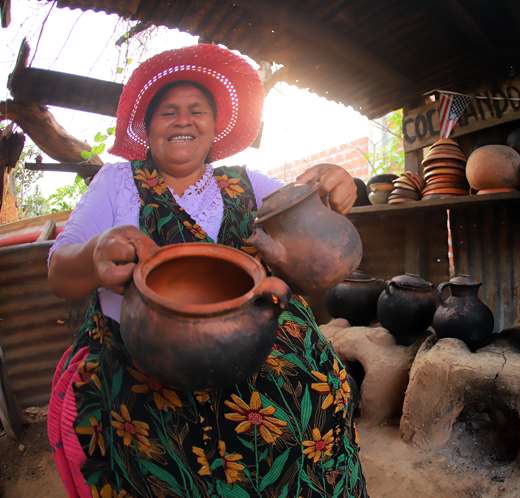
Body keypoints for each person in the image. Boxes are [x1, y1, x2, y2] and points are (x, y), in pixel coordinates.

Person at [46, 44, 367, 498]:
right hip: (146, 354)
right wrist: (96, 253)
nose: (183, 120)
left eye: (197, 110)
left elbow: (303, 210)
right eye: (168, 112)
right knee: (158, 457)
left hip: (258, 342)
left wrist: (331, 186)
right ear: (147, 128)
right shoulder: (117, 183)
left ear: (215, 128)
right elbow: (59, 271)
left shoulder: (247, 181)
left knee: (314, 399)